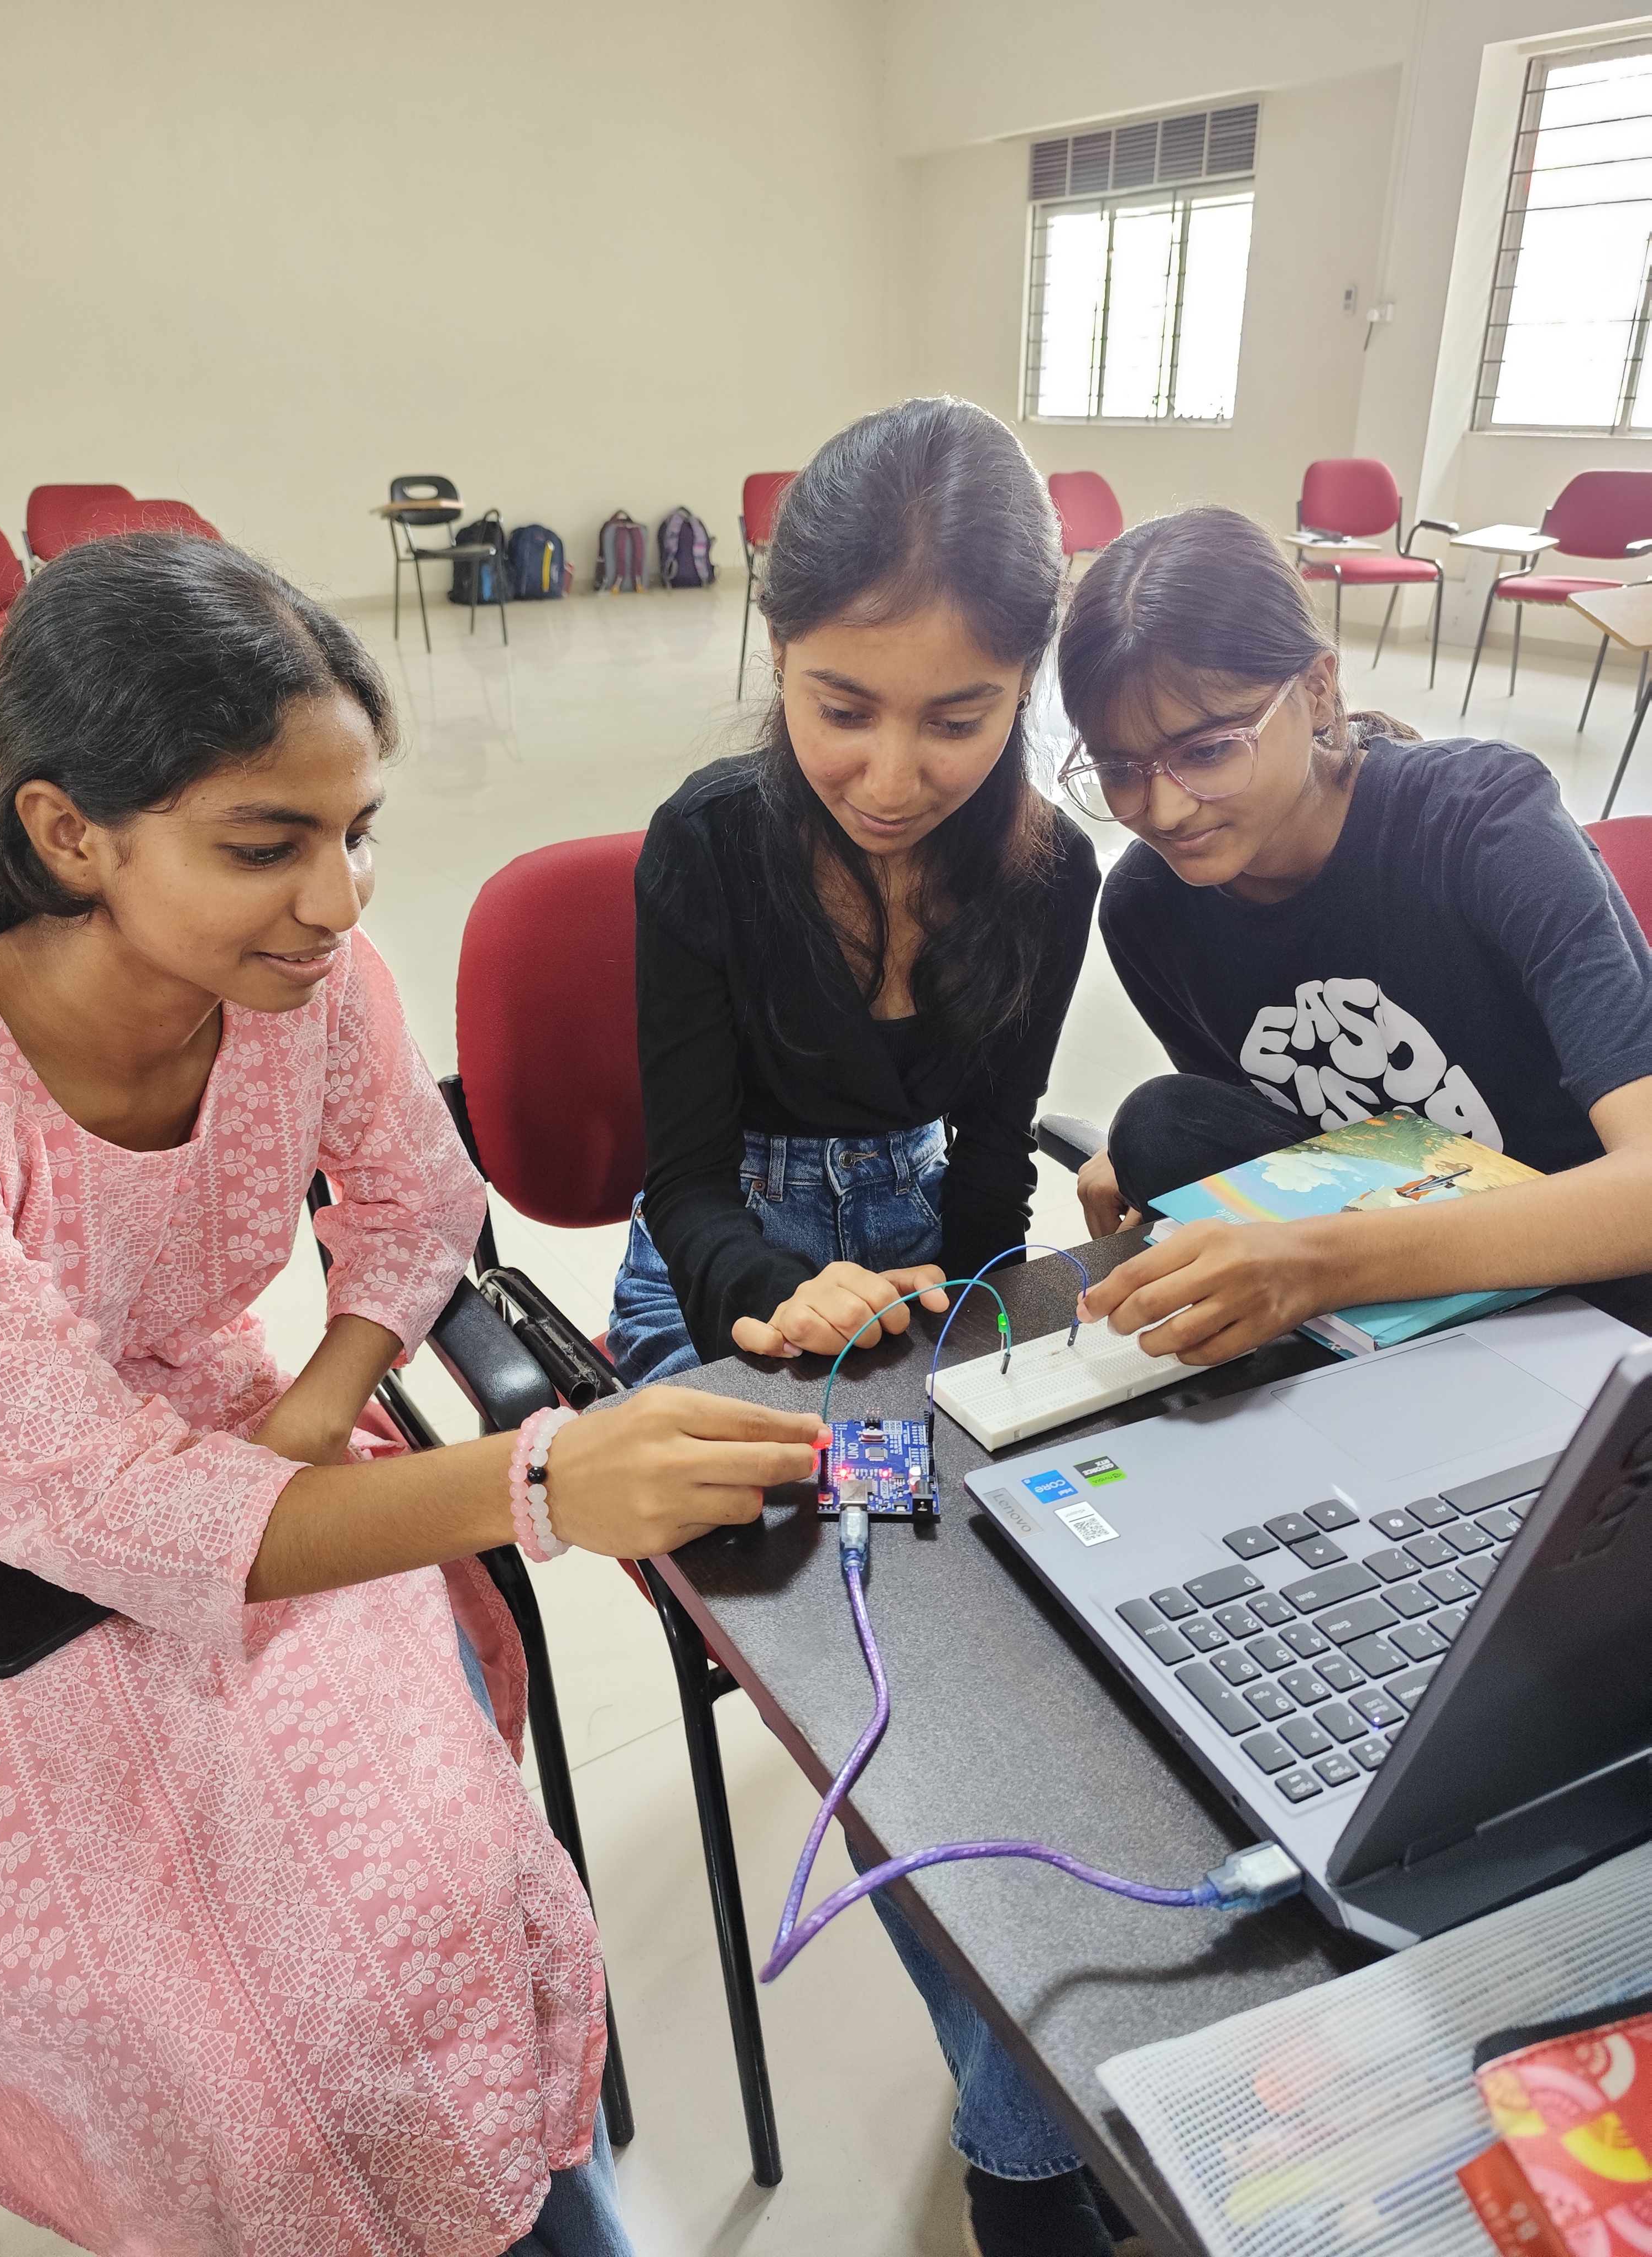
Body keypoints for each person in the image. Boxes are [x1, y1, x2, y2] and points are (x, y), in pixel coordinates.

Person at [0, 535, 823, 2257]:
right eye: (264, 846)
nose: (340, 904)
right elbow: (86, 1501)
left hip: (257, 1473)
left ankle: (525, 2197)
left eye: (355, 834)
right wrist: (539, 1484)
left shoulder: (305, 986)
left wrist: (311, 1408)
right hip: (8, 1570)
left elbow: (419, 1210)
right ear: (68, 833)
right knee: (236, 2052)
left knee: (454, 1892)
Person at [607, 399, 1130, 2257]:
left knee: (1040, 1591)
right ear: (776, 652)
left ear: (1024, 688)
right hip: (720, 1302)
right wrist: (780, 1295)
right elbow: (681, 1190)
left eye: (956, 718)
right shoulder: (708, 845)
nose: (891, 773)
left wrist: (968, 1344)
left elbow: (985, 1171)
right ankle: (1031, 2164)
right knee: (898, 1655)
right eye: (843, 706)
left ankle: (1079, 2087)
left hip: (913, 1263)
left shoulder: (1048, 874)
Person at [1052, 506, 1652, 1364]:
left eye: (1210, 750)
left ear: (1318, 689)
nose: (1167, 808)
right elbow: (1279, 1150)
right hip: (1390, 1290)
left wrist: (1321, 1265)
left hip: (1588, 1284)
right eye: (1119, 768)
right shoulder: (1149, 907)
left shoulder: (1482, 824)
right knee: (1159, 1123)